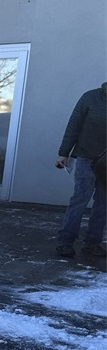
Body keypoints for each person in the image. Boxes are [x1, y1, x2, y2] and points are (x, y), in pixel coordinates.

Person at [54, 82, 106, 258]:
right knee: (80, 198)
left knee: (103, 202)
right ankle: (65, 241)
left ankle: (92, 243)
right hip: (87, 157)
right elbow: (73, 126)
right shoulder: (90, 98)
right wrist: (64, 153)